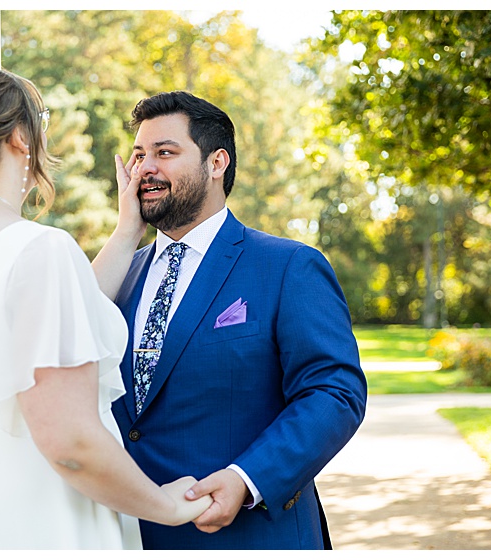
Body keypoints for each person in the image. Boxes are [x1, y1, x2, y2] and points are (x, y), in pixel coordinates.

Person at [0, 64, 212, 550]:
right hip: (23, 505)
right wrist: (167, 506)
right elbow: (70, 441)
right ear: (18, 136)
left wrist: (125, 233)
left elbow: (54, 318)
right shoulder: (37, 248)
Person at [91, 91, 368, 549]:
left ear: (216, 162)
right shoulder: (119, 272)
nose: (145, 168)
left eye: (165, 152)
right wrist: (125, 232)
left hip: (248, 535)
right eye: (139, 155)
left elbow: (334, 393)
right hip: (130, 538)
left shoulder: (288, 266)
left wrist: (247, 478)